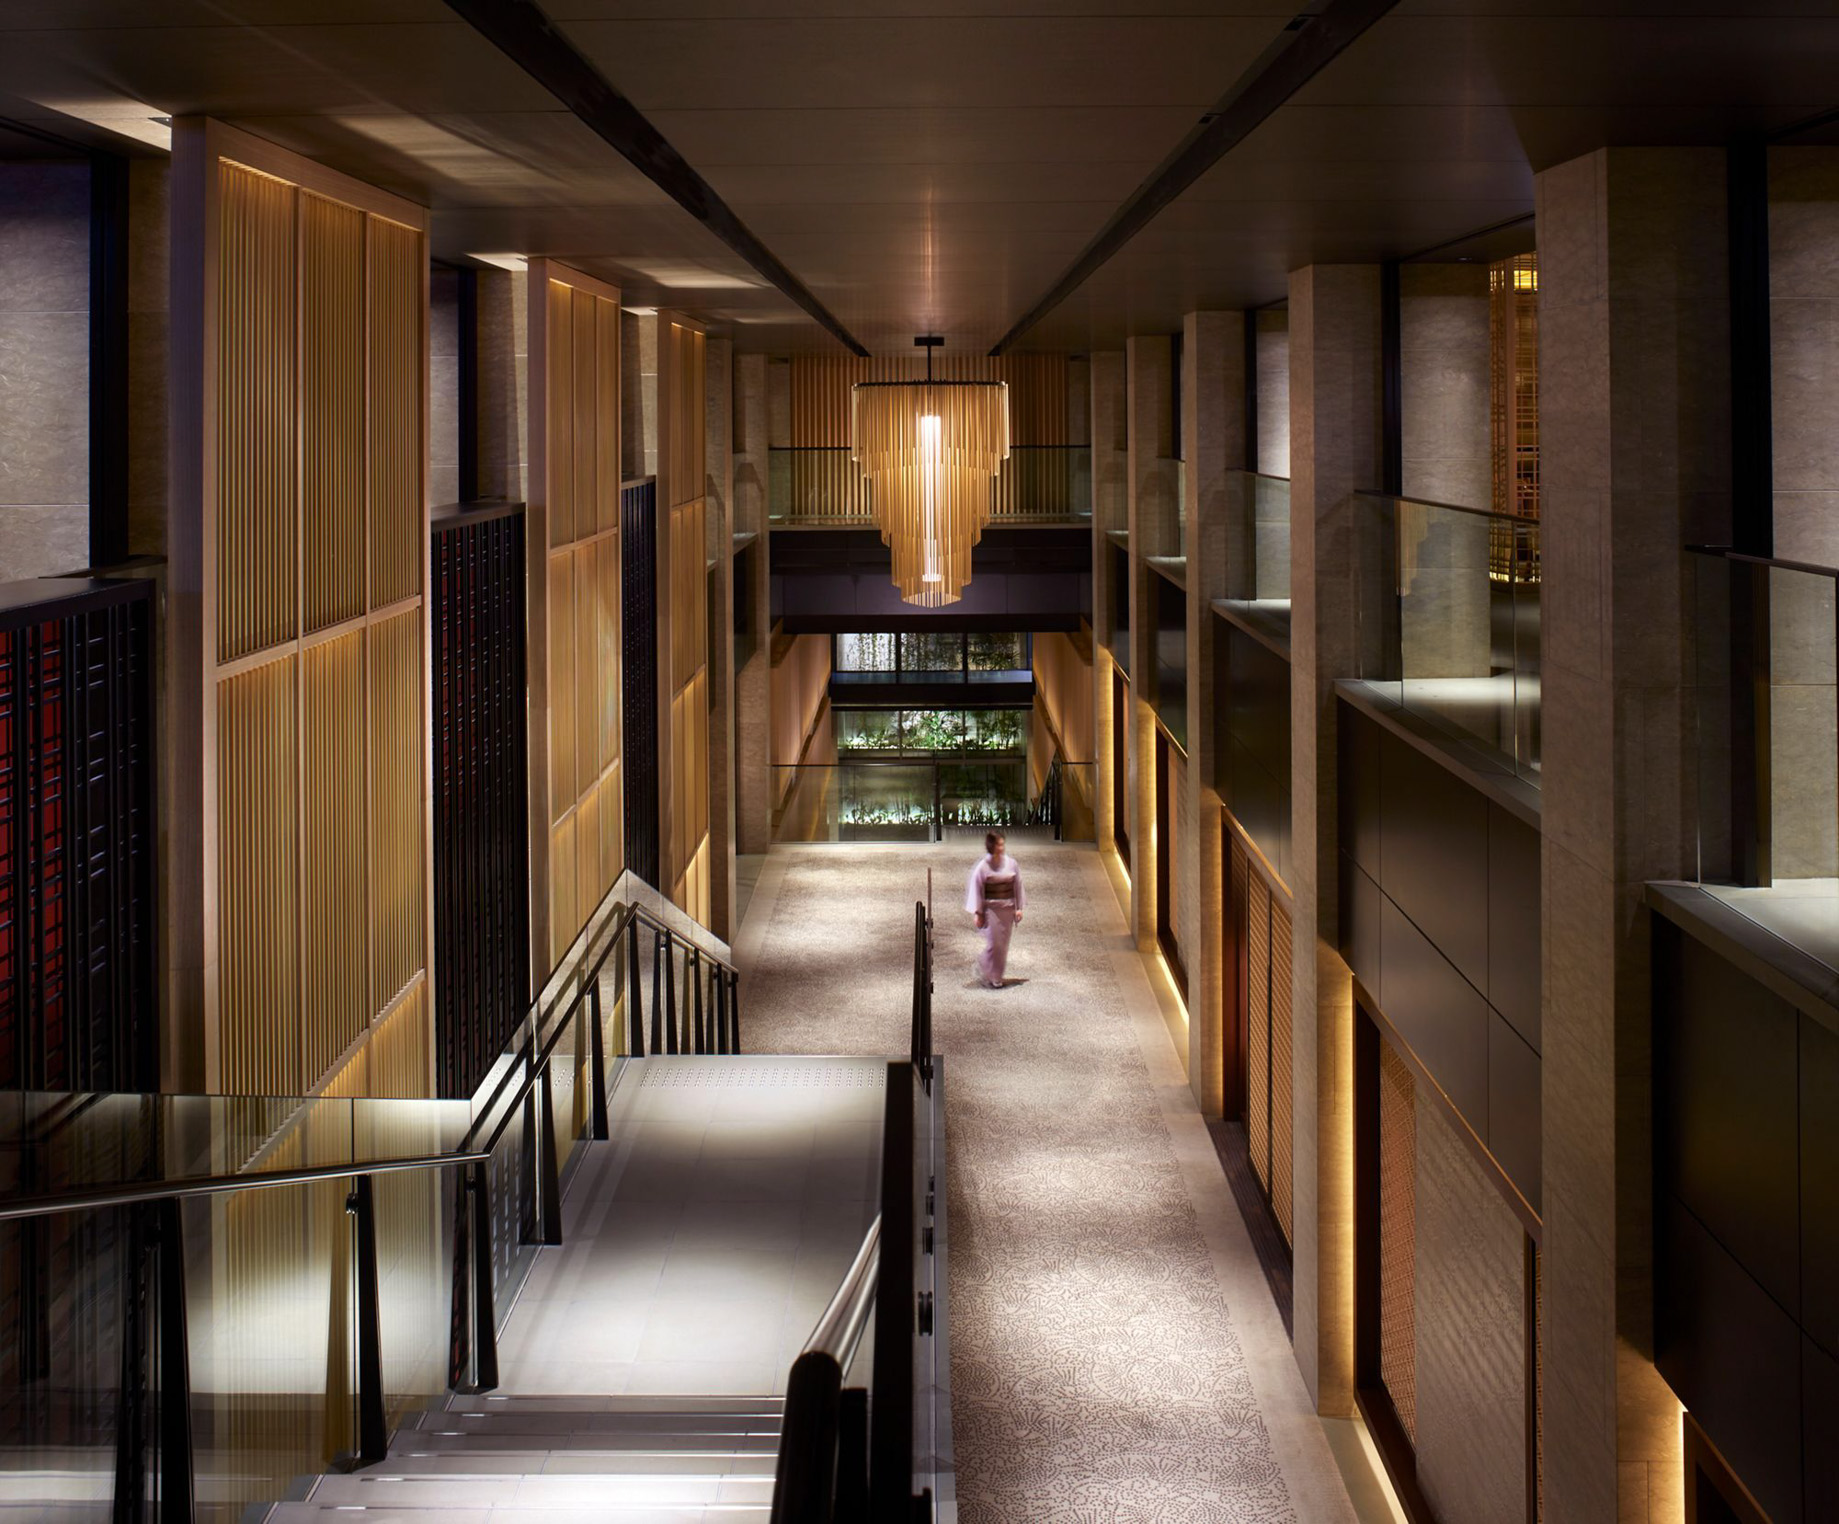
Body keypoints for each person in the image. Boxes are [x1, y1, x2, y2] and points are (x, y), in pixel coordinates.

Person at [965, 830, 1025, 989]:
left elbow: (1017, 885)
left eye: (1002, 843)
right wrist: (978, 912)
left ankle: (996, 975)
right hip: (991, 909)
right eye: (998, 844)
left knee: (1003, 945)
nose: (1001, 847)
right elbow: (977, 889)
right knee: (994, 943)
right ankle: (986, 967)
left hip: (1007, 908)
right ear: (991, 846)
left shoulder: (1011, 864)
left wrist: (1019, 907)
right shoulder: (983, 867)